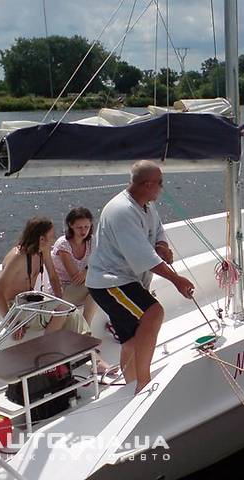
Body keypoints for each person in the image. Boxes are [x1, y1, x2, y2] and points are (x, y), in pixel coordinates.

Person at [86, 160, 194, 395]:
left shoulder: (145, 205)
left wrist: (162, 245)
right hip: (111, 282)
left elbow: (157, 231)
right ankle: (144, 383)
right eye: (160, 183)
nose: (162, 188)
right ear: (147, 185)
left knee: (132, 339)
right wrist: (177, 280)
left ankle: (131, 387)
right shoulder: (122, 211)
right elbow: (143, 257)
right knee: (153, 313)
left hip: (124, 280)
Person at [0, 217, 90, 340]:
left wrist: (60, 299)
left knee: (72, 311)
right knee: (61, 311)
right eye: (51, 237)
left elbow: (53, 277)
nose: (53, 240)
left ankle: (84, 344)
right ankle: (46, 348)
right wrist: (11, 323)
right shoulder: (18, 258)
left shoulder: (42, 251)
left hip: (33, 302)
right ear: (41, 239)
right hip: (18, 307)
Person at [51, 207, 112, 375]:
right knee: (99, 285)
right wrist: (89, 270)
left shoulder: (91, 241)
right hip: (62, 289)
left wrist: (87, 271)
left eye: (86, 226)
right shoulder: (63, 245)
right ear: (71, 225)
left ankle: (86, 333)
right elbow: (74, 276)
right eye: (79, 227)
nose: (83, 231)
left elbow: (100, 264)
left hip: (81, 286)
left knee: (99, 288)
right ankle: (87, 340)